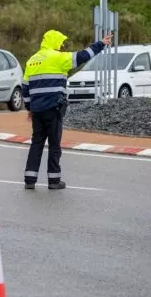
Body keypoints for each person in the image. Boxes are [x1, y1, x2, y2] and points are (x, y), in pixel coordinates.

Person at [21, 30, 112, 189]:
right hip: (53, 108)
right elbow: (84, 55)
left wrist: (30, 108)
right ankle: (54, 180)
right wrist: (101, 44)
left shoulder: (32, 60)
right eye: (61, 42)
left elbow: (25, 89)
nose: (62, 46)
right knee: (54, 144)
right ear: (55, 42)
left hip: (37, 111)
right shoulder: (58, 58)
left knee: (36, 143)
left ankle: (30, 180)